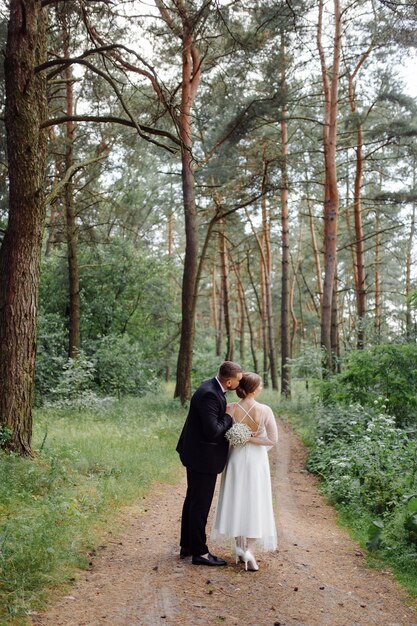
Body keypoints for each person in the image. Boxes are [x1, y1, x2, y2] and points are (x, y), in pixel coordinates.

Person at [176, 361, 243, 566]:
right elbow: (212, 430)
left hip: (197, 454)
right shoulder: (210, 394)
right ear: (229, 381)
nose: (239, 384)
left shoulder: (212, 387)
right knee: (200, 505)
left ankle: (188, 545)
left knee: (193, 500)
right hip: (202, 457)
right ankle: (200, 553)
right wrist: (229, 417)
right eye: (238, 380)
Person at [211, 372, 278, 571]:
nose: (262, 388)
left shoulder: (231, 408)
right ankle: (249, 550)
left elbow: (222, 434)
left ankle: (239, 547)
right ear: (255, 389)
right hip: (256, 460)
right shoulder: (264, 410)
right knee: (255, 501)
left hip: (236, 459)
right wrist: (251, 439)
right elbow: (272, 440)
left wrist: (239, 438)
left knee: (237, 499)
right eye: (261, 385)